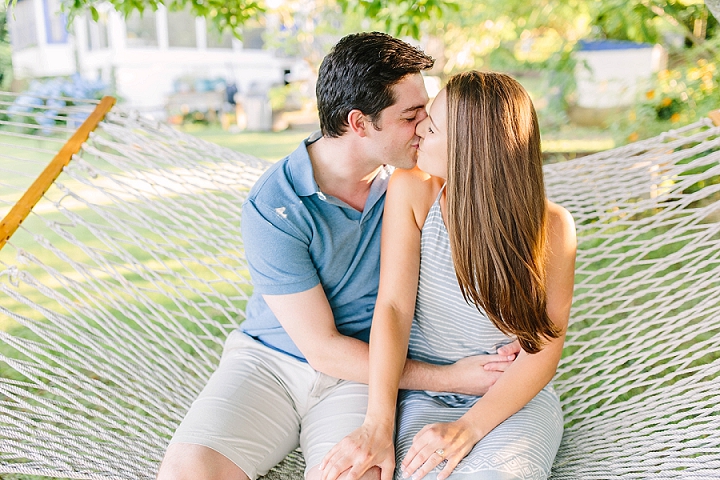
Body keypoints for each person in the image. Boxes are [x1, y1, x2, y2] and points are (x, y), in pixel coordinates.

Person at [156, 34, 520, 480]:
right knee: (187, 471)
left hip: (368, 372)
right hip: (270, 362)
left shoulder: (419, 181)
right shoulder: (275, 205)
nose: (427, 125)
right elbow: (322, 349)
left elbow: (495, 220)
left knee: (362, 472)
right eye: (410, 115)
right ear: (360, 123)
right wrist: (450, 377)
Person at [319, 71, 577, 480]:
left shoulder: (553, 228)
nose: (420, 127)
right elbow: (393, 308)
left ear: (469, 151)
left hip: (509, 399)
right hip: (422, 395)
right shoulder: (414, 191)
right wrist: (378, 422)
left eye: (433, 126)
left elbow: (542, 349)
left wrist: (469, 427)